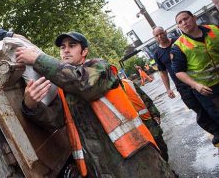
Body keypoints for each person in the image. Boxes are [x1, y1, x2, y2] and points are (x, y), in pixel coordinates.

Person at [16, 32, 176, 177]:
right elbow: (54, 121)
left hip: (135, 159)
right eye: (62, 47)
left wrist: (38, 59)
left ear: (84, 51)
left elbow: (85, 85)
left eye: (72, 46)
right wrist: (31, 106)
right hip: (102, 169)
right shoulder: (63, 89)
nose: (65, 50)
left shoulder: (99, 67)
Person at [153, 26, 219, 146]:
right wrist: (168, 89)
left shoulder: (179, 42)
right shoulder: (157, 53)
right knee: (198, 110)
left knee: (211, 107)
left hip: (196, 81)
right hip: (182, 87)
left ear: (165, 32)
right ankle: (216, 131)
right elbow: (163, 72)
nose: (160, 37)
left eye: (161, 33)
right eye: (156, 35)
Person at [170, 11, 219, 147]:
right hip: (207, 89)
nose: (184, 23)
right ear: (178, 27)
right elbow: (178, 72)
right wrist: (195, 85)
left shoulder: (214, 30)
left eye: (186, 19)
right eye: (180, 22)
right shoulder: (179, 46)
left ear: (194, 18)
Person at [120, 78, 168, 161]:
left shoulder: (128, 83)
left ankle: (167, 166)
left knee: (161, 146)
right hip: (132, 129)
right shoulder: (107, 93)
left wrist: (155, 113)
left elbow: (145, 98)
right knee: (147, 153)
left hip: (148, 122)